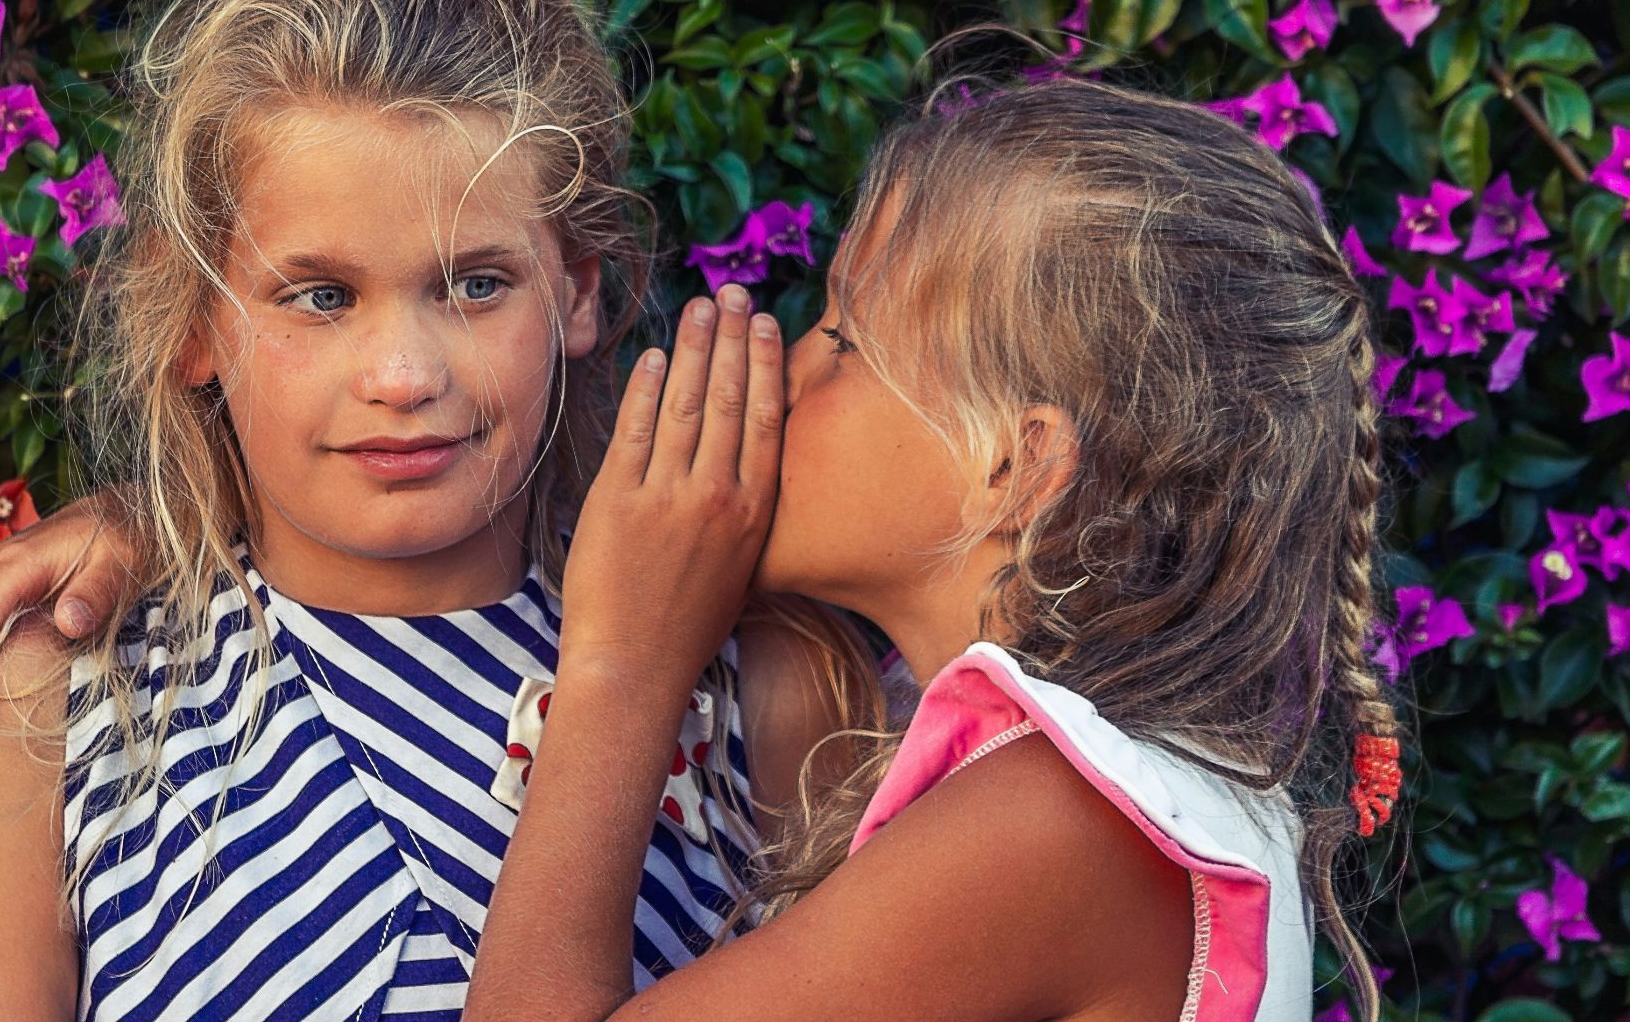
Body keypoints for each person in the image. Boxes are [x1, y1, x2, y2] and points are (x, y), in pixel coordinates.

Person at [0, 0, 870, 1017]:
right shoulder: (42, 704)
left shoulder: (754, 697)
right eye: (318, 296)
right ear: (196, 321)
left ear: (577, 293)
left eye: (476, 284)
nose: (403, 377)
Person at [463, 78, 1402, 1021]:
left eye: (843, 341)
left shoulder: (1052, 826)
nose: (784, 373)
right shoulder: (1086, 781)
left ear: (1017, 466)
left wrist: (622, 659)